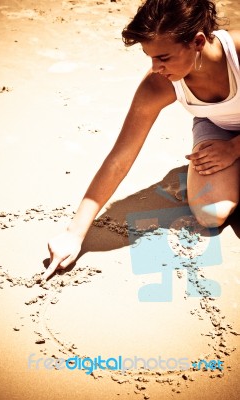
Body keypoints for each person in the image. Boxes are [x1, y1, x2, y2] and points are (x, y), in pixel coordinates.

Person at [43, 0, 240, 281]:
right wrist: (74, 233)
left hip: (233, 143)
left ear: (197, 41)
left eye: (164, 57)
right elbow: (120, 157)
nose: (156, 67)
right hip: (218, 126)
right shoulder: (159, 83)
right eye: (150, 57)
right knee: (211, 213)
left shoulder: (238, 53)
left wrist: (233, 149)